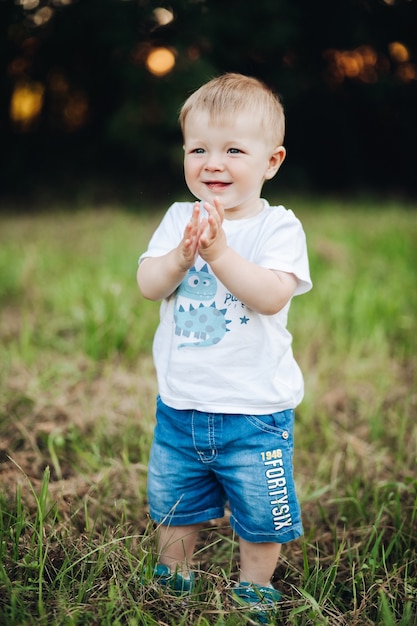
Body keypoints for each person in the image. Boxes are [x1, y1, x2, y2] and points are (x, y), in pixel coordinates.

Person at [137, 73, 312, 622]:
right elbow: (148, 284)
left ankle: (255, 585)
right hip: (181, 406)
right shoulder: (176, 219)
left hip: (254, 412)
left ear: (271, 162)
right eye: (199, 149)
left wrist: (219, 255)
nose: (213, 163)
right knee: (174, 504)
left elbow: (270, 294)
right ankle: (175, 573)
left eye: (234, 149)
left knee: (262, 512)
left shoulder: (278, 228)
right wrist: (180, 257)